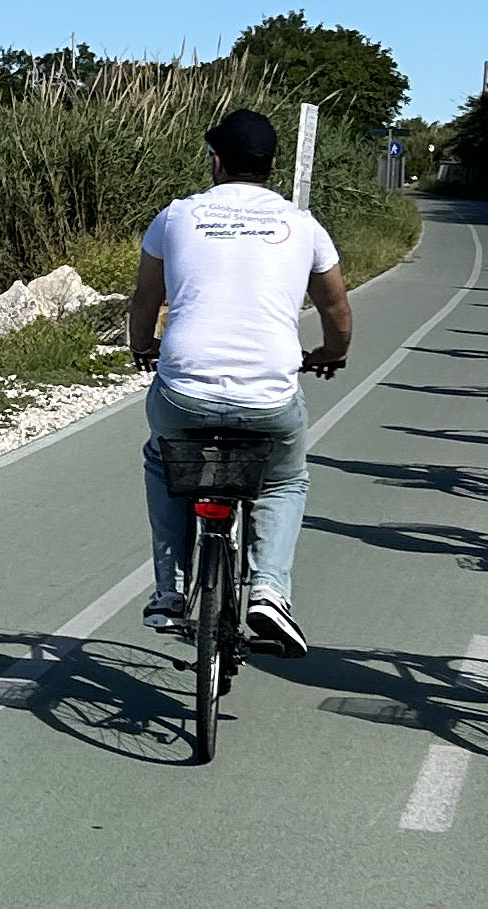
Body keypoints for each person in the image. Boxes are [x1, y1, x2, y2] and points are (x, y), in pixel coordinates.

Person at [128, 109, 354, 657]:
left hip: (185, 388)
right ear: (273, 165)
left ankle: (171, 589)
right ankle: (270, 590)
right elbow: (337, 308)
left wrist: (142, 348)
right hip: (269, 395)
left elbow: (145, 300)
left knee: (164, 460)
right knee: (282, 480)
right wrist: (330, 354)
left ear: (215, 161)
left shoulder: (176, 218)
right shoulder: (303, 226)